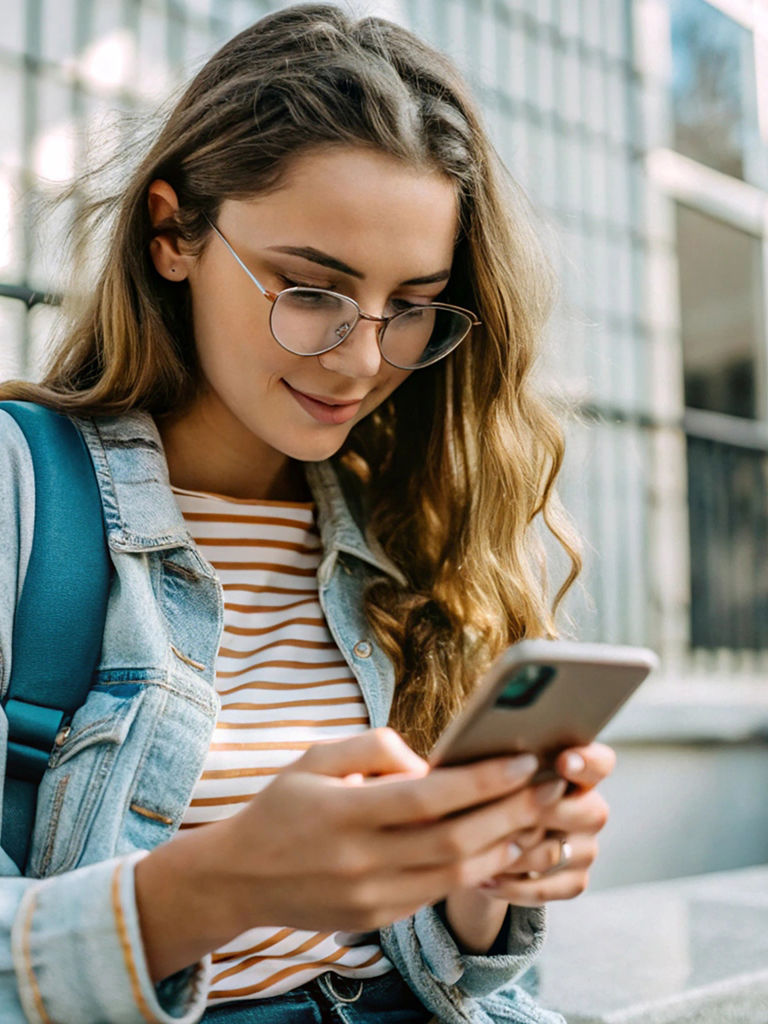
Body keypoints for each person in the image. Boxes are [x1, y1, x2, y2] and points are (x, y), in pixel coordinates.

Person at [0, 5, 615, 1022]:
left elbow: (446, 974)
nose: (364, 357)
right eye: (312, 289)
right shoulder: (26, 493)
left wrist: (479, 886)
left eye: (411, 302)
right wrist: (220, 884)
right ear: (172, 233)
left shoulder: (408, 526)